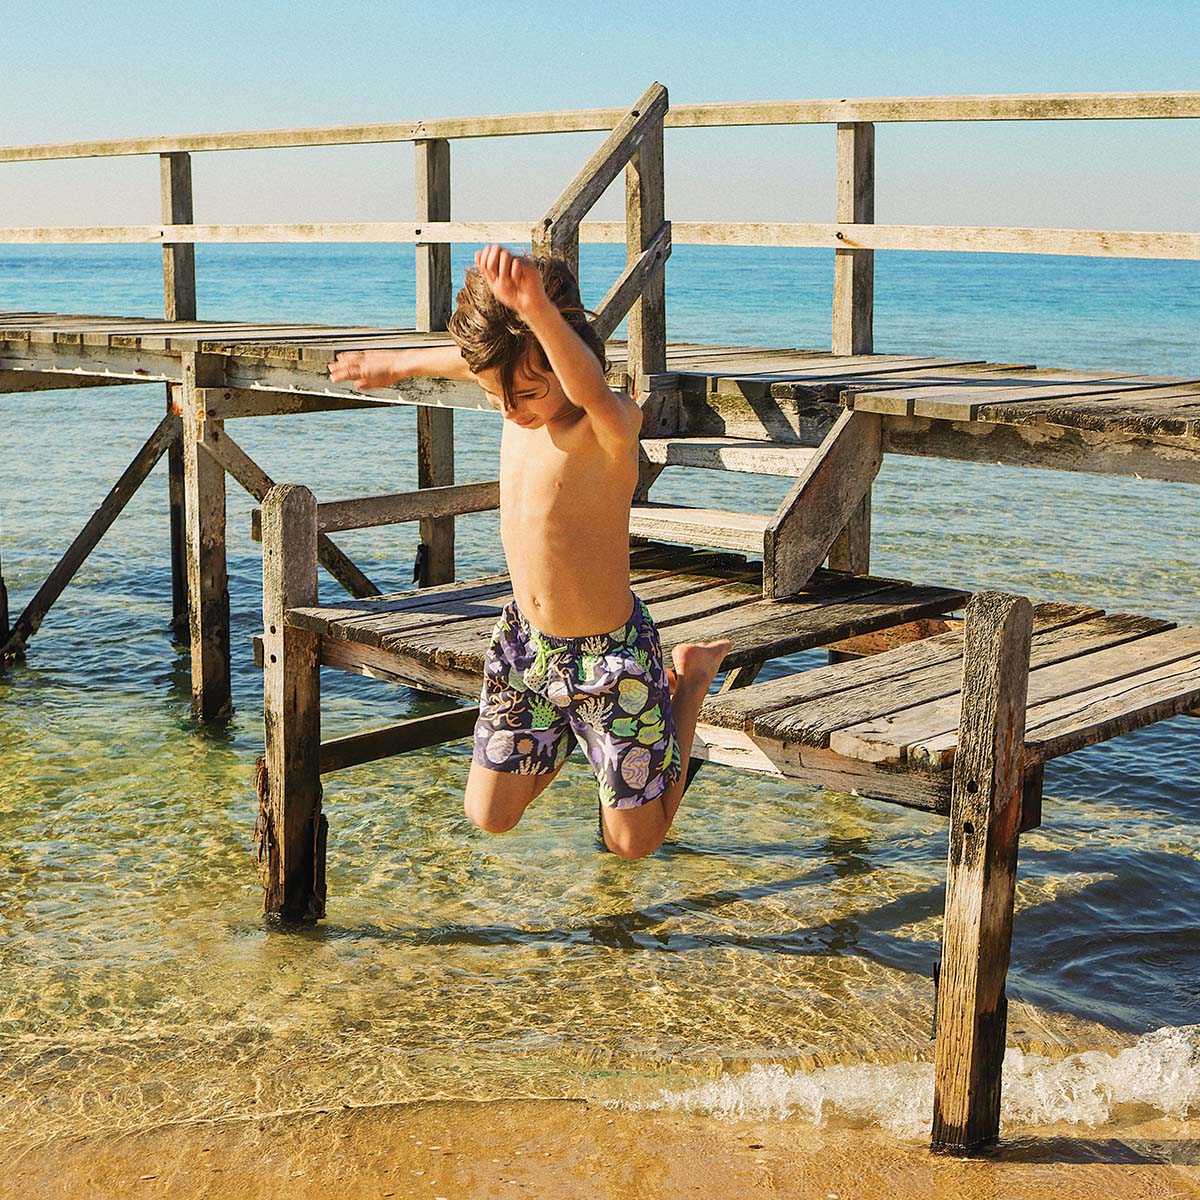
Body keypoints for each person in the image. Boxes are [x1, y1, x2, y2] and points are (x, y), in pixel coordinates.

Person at [329, 245, 730, 858]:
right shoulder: (518, 392)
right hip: (526, 648)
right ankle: (571, 735)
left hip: (610, 661)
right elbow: (476, 363)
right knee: (487, 814)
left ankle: (692, 681)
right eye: (498, 398)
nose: (511, 411)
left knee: (633, 844)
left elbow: (586, 384)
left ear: (561, 352)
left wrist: (538, 309)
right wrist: (395, 364)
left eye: (525, 395)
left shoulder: (608, 427)